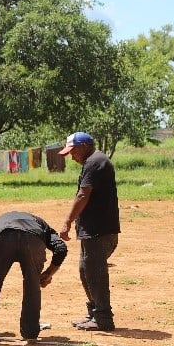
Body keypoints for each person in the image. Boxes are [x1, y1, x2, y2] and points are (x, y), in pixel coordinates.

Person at [0, 211, 68, 343]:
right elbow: (61, 248)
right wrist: (49, 273)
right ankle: (30, 334)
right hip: (33, 238)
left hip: (2, 235)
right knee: (32, 286)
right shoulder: (44, 227)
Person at [58, 132, 120, 331]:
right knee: (86, 271)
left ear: (84, 146)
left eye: (72, 151)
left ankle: (103, 318)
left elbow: (83, 194)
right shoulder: (94, 161)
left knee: (95, 272)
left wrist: (67, 221)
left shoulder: (95, 162)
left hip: (98, 230)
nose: (71, 156)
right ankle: (95, 312)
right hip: (94, 229)